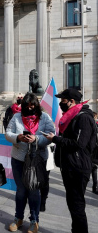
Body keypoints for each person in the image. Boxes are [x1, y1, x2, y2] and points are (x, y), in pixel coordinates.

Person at [44, 89, 97, 233]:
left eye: (63, 100)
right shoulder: (72, 116)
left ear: (71, 101)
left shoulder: (83, 117)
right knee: (73, 205)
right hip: (70, 166)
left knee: (77, 205)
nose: (61, 103)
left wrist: (55, 139)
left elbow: (78, 143)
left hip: (78, 167)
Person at [6, 93, 55, 233]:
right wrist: (19, 137)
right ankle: (18, 218)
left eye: (32, 105)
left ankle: (34, 220)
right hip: (19, 159)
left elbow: (51, 135)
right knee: (21, 190)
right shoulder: (16, 117)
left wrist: (37, 139)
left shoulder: (45, 117)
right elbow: (8, 133)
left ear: (37, 105)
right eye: (26, 106)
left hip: (38, 160)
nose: (29, 108)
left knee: (34, 191)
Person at [92, 112, 98, 194]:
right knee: (94, 169)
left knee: (94, 169)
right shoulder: (93, 125)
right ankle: (95, 186)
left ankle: (95, 186)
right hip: (94, 151)